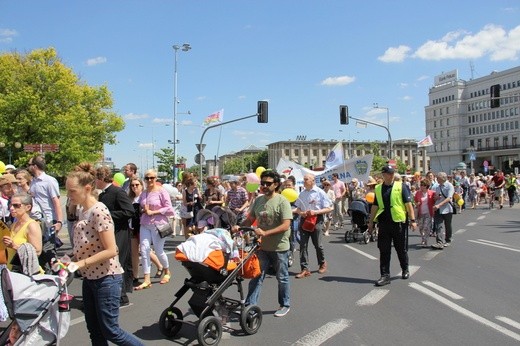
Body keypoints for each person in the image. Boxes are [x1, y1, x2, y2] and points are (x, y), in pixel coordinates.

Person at [66, 163, 144, 345]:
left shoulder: (99, 210)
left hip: (106, 279)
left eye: (72, 191)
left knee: (111, 331)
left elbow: (111, 250)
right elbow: (88, 245)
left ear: (87, 188)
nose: (69, 196)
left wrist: (80, 264)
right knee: (95, 331)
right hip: (90, 279)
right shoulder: (82, 211)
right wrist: (69, 259)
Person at [234, 170, 292, 317]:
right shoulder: (258, 200)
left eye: (268, 183)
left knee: (282, 277)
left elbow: (286, 225)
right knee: (256, 276)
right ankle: (250, 305)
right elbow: (250, 219)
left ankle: (284, 304)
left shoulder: (282, 201)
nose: (264, 186)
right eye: (263, 183)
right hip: (261, 246)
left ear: (276, 184)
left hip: (279, 247)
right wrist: (239, 226)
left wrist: (266, 233)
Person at [367, 165, 417, 286]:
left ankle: (405, 269)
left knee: (401, 249)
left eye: (392, 173)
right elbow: (375, 206)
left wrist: (413, 220)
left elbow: (408, 204)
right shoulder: (378, 188)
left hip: (398, 222)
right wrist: (371, 222)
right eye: (388, 173)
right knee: (384, 250)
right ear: (383, 175)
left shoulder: (401, 186)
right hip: (384, 222)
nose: (390, 175)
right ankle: (385, 275)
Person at [96, 166, 135, 306]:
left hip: (120, 232)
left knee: (119, 263)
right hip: (111, 232)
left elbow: (129, 211)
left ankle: (122, 296)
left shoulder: (117, 192)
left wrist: (108, 215)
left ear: (100, 178)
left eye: (96, 178)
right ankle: (117, 295)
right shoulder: (102, 194)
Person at [136, 169, 174, 290]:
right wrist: (143, 210)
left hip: (159, 224)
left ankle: (167, 271)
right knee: (144, 249)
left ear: (156, 178)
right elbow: (141, 207)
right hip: (145, 224)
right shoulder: (144, 193)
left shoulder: (162, 191)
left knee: (158, 251)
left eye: (152, 178)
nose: (149, 180)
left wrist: (154, 211)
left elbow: (169, 208)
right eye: (147, 178)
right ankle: (147, 279)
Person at [294, 173, 333, 278]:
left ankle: (322, 263)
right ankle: (304, 269)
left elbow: (329, 208)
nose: (304, 181)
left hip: (316, 220)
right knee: (303, 245)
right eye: (304, 179)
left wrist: (315, 212)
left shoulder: (320, 192)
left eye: (306, 179)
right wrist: (301, 213)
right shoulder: (302, 193)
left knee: (318, 245)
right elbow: (297, 207)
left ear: (313, 181)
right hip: (304, 220)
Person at [127, 177, 163, 287]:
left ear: (142, 185)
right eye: (132, 185)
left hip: (143, 225)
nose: (134, 187)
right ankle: (135, 276)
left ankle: (160, 265)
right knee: (135, 252)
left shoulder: (144, 196)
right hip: (132, 226)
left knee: (144, 249)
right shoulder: (129, 198)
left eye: (137, 185)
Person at [2, 193, 42, 273]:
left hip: (27, 273)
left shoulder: (32, 225)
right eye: (10, 205)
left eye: (16, 205)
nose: (12, 208)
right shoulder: (13, 225)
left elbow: (37, 251)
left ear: (28, 207)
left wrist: (14, 246)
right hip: (13, 271)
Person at [27, 155, 64, 235]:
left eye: (29, 165)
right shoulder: (33, 181)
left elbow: (56, 202)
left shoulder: (49, 181)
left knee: (49, 246)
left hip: (49, 220)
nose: (27, 167)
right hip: (36, 219)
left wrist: (59, 222)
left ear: (35, 166)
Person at [431, 172, 455, 249]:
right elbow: (434, 196)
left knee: (448, 225)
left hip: (447, 209)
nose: (437, 179)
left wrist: (439, 205)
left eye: (438, 178)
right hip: (438, 209)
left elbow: (449, 198)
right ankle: (439, 242)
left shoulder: (449, 186)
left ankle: (448, 240)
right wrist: (435, 198)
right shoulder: (436, 186)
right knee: (438, 225)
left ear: (442, 178)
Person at [414, 179, 435, 248]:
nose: (421, 186)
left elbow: (435, 200)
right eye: (421, 185)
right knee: (421, 227)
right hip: (420, 212)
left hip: (428, 212)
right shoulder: (418, 193)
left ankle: (425, 240)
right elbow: (415, 201)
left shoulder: (431, 193)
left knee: (426, 227)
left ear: (426, 186)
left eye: (423, 185)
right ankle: (423, 238)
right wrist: (417, 203)